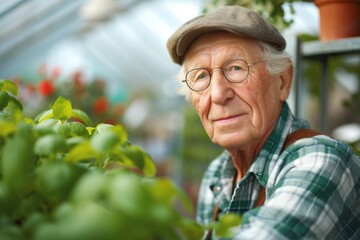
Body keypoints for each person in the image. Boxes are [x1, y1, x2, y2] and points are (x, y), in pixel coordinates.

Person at [166, 5, 360, 240]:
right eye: (202, 76)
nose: (217, 94)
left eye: (236, 68)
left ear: (282, 81)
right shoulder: (217, 174)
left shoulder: (320, 159)